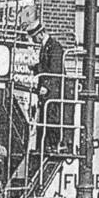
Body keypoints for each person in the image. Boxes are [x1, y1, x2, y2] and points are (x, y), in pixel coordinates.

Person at [25, 19, 72, 151]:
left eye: (34, 38)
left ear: (40, 34)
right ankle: (47, 145)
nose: (33, 41)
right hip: (49, 92)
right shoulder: (46, 47)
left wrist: (46, 86)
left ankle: (53, 145)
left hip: (55, 91)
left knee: (53, 118)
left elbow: (55, 69)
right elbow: (46, 66)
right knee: (47, 117)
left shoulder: (54, 46)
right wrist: (35, 67)